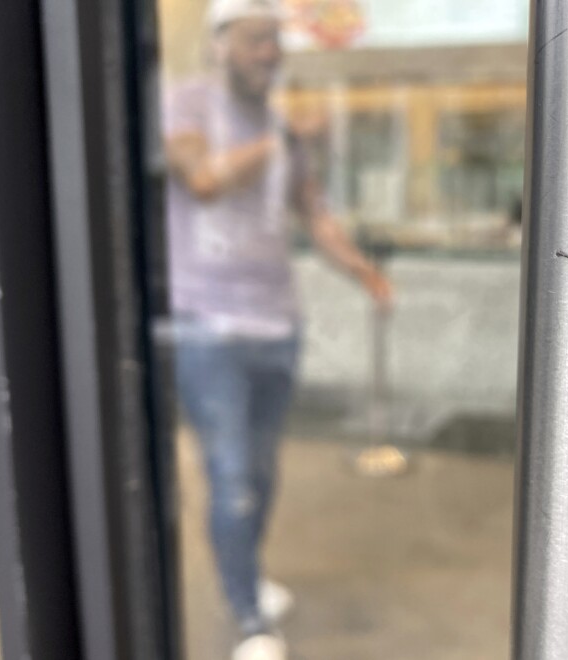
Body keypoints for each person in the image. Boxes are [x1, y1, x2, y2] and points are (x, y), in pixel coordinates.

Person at [163, 1, 392, 657]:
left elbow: (314, 217)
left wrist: (366, 274)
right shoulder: (187, 105)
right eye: (255, 39)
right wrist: (283, 139)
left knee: (261, 475)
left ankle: (248, 578)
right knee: (232, 476)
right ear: (219, 44)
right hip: (208, 330)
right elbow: (203, 180)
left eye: (274, 40)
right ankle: (249, 620)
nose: (269, 52)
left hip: (276, 327)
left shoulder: (280, 127)